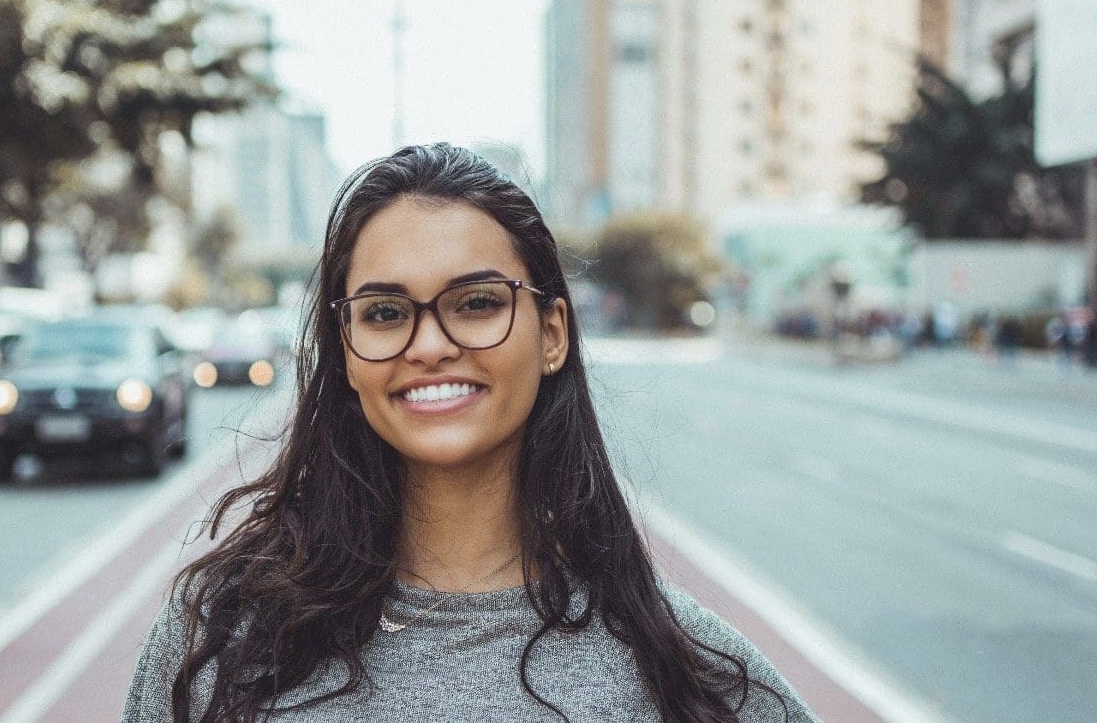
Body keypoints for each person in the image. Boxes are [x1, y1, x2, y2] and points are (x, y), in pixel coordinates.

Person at [123, 144, 816, 722]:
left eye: (477, 302)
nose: (428, 345)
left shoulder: (686, 675)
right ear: (346, 348)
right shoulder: (215, 642)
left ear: (551, 334)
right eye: (386, 312)